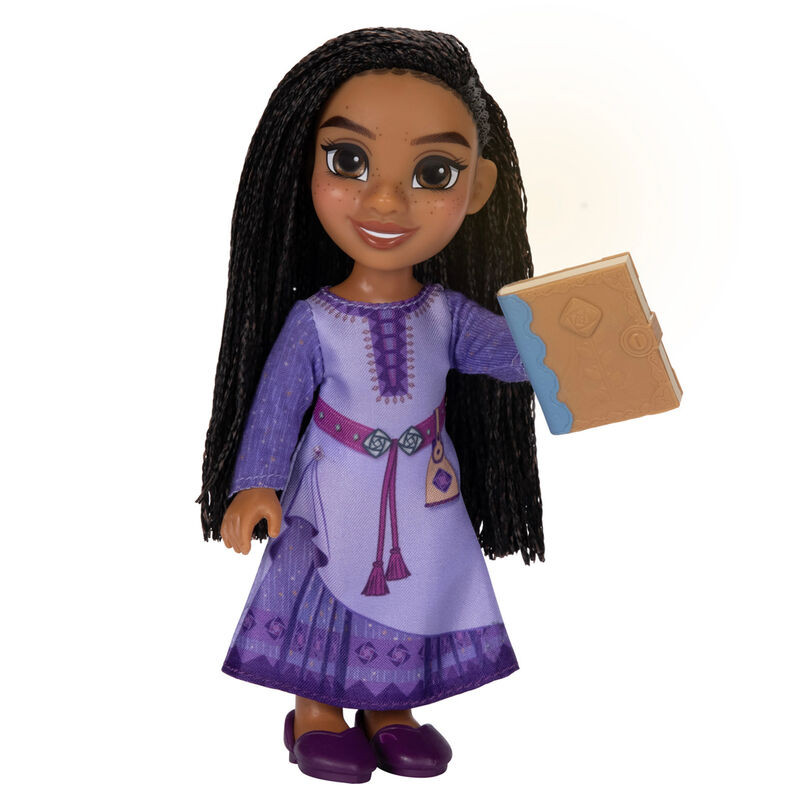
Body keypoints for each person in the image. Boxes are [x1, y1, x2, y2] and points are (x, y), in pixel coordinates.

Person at [199, 27, 545, 783]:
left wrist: (607, 345)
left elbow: (524, 354)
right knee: (323, 590)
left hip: (422, 493)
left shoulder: (447, 315)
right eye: (348, 161)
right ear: (305, 168)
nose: (385, 200)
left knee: (415, 592)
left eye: (434, 172)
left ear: (476, 189)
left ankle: (392, 709)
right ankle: (316, 710)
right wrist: (255, 483)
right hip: (334, 489)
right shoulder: (315, 321)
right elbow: (275, 406)